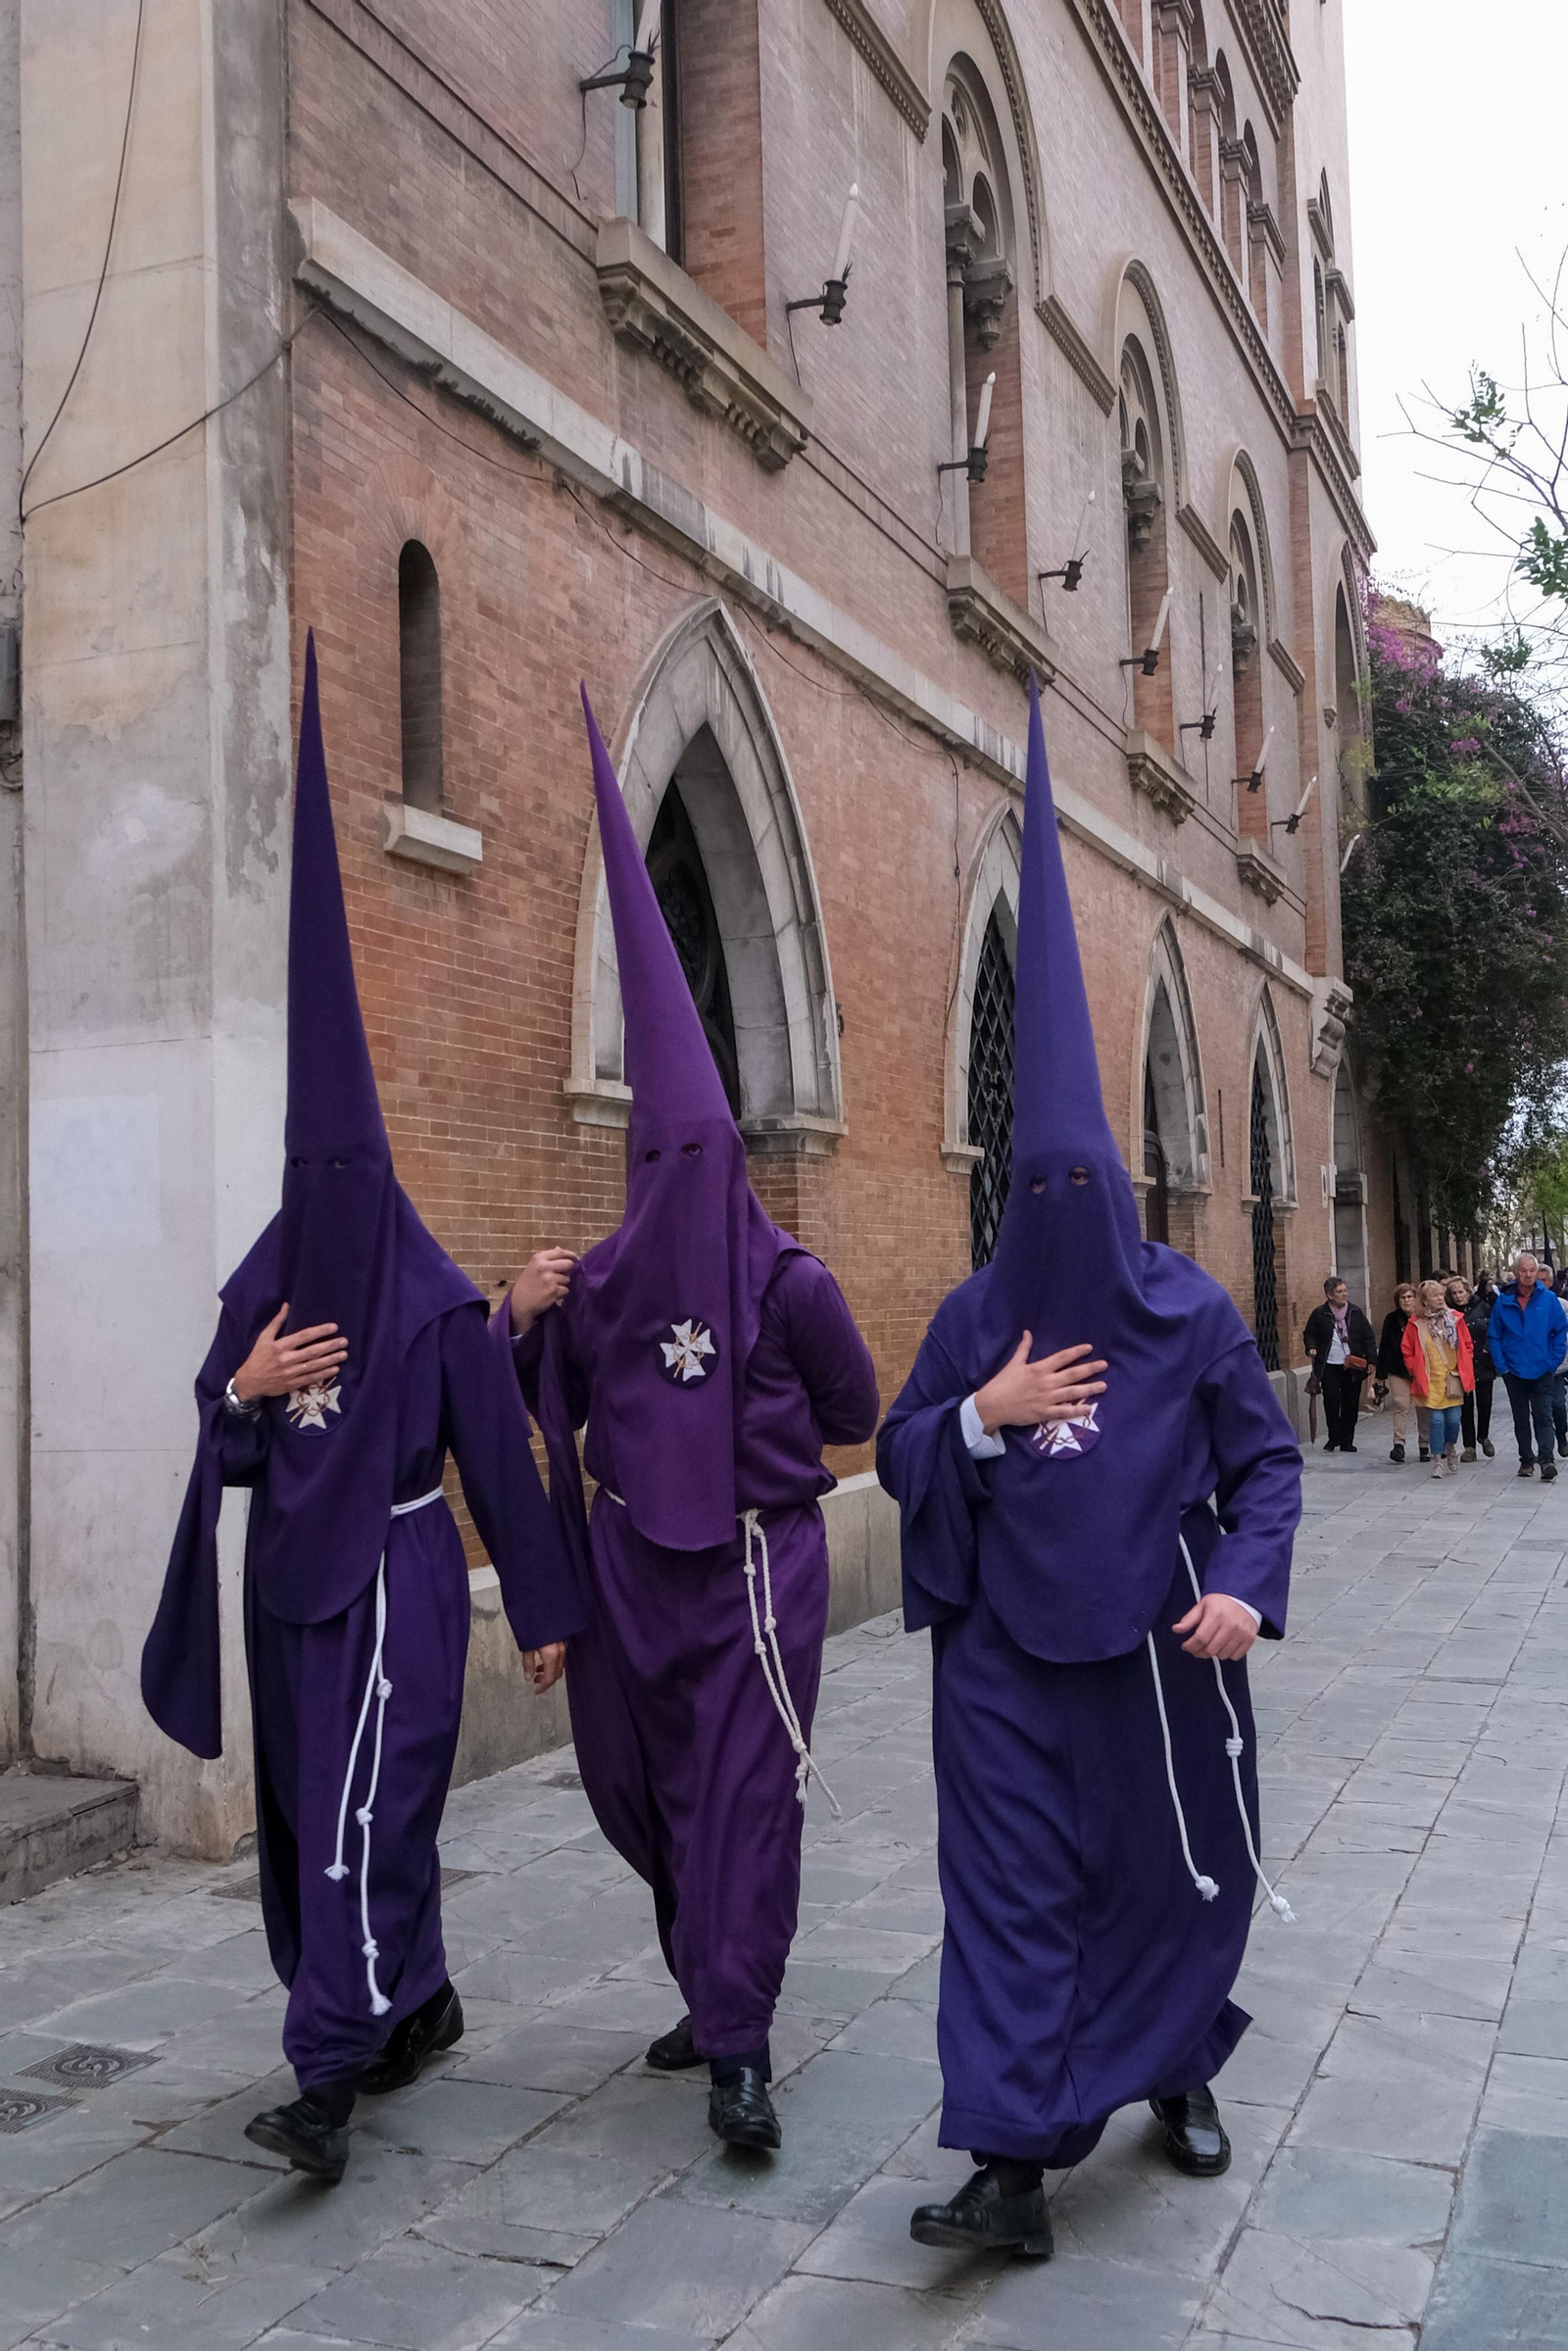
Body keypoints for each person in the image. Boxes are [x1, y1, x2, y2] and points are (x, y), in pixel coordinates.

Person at [141, 641, 582, 2185]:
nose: (323, 1205)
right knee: (309, 1820)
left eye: (347, 1178)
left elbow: (496, 1461)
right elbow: (221, 1424)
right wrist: (245, 1394)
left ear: (377, 1174)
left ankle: (325, 2072)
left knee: (361, 1818)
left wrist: (540, 1605)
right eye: (305, 1179)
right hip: (287, 1599)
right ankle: (419, 1993)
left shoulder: (438, 1299)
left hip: (394, 1586)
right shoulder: (266, 1282)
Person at [875, 685, 1301, 2262]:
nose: (1057, 1209)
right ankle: (1008, 2160)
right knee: (1005, 1907)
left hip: (1154, 1653)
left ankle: (1180, 2062)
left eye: (1080, 1186)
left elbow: (1264, 1473)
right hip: (998, 1660)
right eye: (1031, 1187)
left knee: (1160, 1880)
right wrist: (980, 1414)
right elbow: (902, 1448)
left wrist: (1247, 1587)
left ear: (1109, 1189)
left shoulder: (1190, 1312)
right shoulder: (970, 1318)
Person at [500, 690, 879, 2157]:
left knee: (742, 1800)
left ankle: (739, 2037)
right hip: (625, 1574)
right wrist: (511, 1318)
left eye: (693, 1155)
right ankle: (701, 1982)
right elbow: (547, 1399)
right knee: (646, 1787)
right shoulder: (590, 1280)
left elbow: (850, 1407)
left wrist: (756, 1439)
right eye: (655, 1156)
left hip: (753, 1571)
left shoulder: (795, 1281)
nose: (675, 1178)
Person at [1489, 1252, 1568, 1482]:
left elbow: (1560, 1331)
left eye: (1532, 1271)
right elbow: (1494, 1335)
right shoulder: (1503, 1301)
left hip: (1542, 1368)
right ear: (1516, 1273)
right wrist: (1501, 1366)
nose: (1528, 1275)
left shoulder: (1548, 1300)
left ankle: (1547, 1460)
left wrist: (1553, 1362)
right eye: (1523, 1270)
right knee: (1520, 1417)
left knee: (1543, 1415)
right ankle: (1526, 1460)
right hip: (1513, 1370)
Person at [1402, 1279, 1473, 1479]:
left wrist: (1465, 1364)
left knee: (1453, 1420)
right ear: (1424, 1301)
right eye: (1435, 1295)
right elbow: (1407, 1349)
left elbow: (1467, 1344)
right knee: (1435, 1421)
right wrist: (1413, 1368)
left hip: (1452, 1378)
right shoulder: (1416, 1324)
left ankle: (1450, 1446)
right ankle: (1437, 1458)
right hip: (1430, 1379)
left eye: (1441, 1294)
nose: (1440, 1298)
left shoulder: (1455, 1319)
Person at [1302, 1277, 1377, 1453]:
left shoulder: (1355, 1312)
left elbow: (1369, 1337)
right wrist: (1311, 1347)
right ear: (1329, 1295)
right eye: (1340, 1291)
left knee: (1351, 1403)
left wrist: (1372, 1359)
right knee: (1332, 1401)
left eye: (1345, 1290)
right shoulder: (1320, 1314)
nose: (1345, 1294)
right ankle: (1333, 1437)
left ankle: (1347, 1440)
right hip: (1329, 1364)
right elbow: (1309, 1334)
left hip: (1352, 1365)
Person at [1446, 1276, 1494, 1461]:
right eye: (1454, 1293)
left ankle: (1483, 1435)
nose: (1458, 1296)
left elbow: (1493, 1330)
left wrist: (1487, 1349)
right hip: (1461, 1364)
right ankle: (1469, 1447)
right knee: (1466, 1407)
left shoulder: (1483, 1307)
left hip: (1482, 1360)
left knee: (1485, 1403)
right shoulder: (1449, 1313)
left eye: (1461, 1292)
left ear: (1468, 1291)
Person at [1376, 1283, 1426, 1464]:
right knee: (1400, 1404)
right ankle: (1399, 1444)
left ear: (1416, 1299)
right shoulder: (1391, 1319)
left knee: (1423, 1407)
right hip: (1397, 1369)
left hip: (1421, 1369)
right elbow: (1384, 1347)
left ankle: (1424, 1444)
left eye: (1409, 1297)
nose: (1406, 1301)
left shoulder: (1423, 1317)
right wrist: (1380, 1375)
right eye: (1402, 1298)